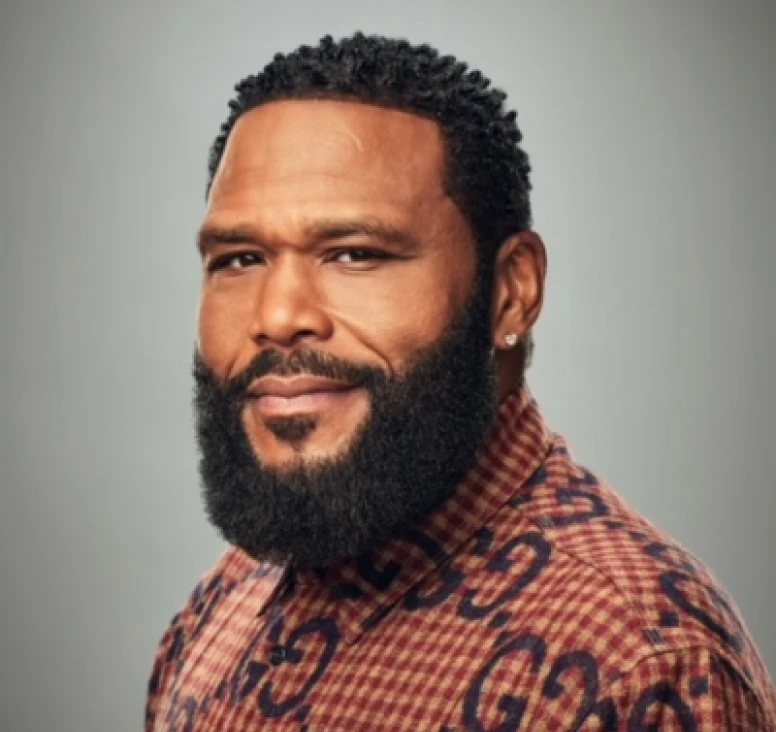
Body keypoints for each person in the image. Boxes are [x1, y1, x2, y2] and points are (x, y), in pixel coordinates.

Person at [145, 33, 776, 731]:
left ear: (511, 292)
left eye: (356, 253)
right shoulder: (221, 607)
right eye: (239, 259)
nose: (277, 316)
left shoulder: (641, 666)